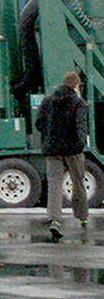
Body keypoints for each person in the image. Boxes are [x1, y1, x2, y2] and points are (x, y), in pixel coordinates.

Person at [36, 71, 90, 241]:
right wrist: (81, 142)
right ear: (76, 85)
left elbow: (39, 123)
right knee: (78, 182)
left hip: (53, 149)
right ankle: (82, 217)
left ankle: (54, 220)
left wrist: (50, 136)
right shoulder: (78, 102)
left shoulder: (48, 101)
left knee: (54, 185)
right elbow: (80, 125)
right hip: (73, 149)